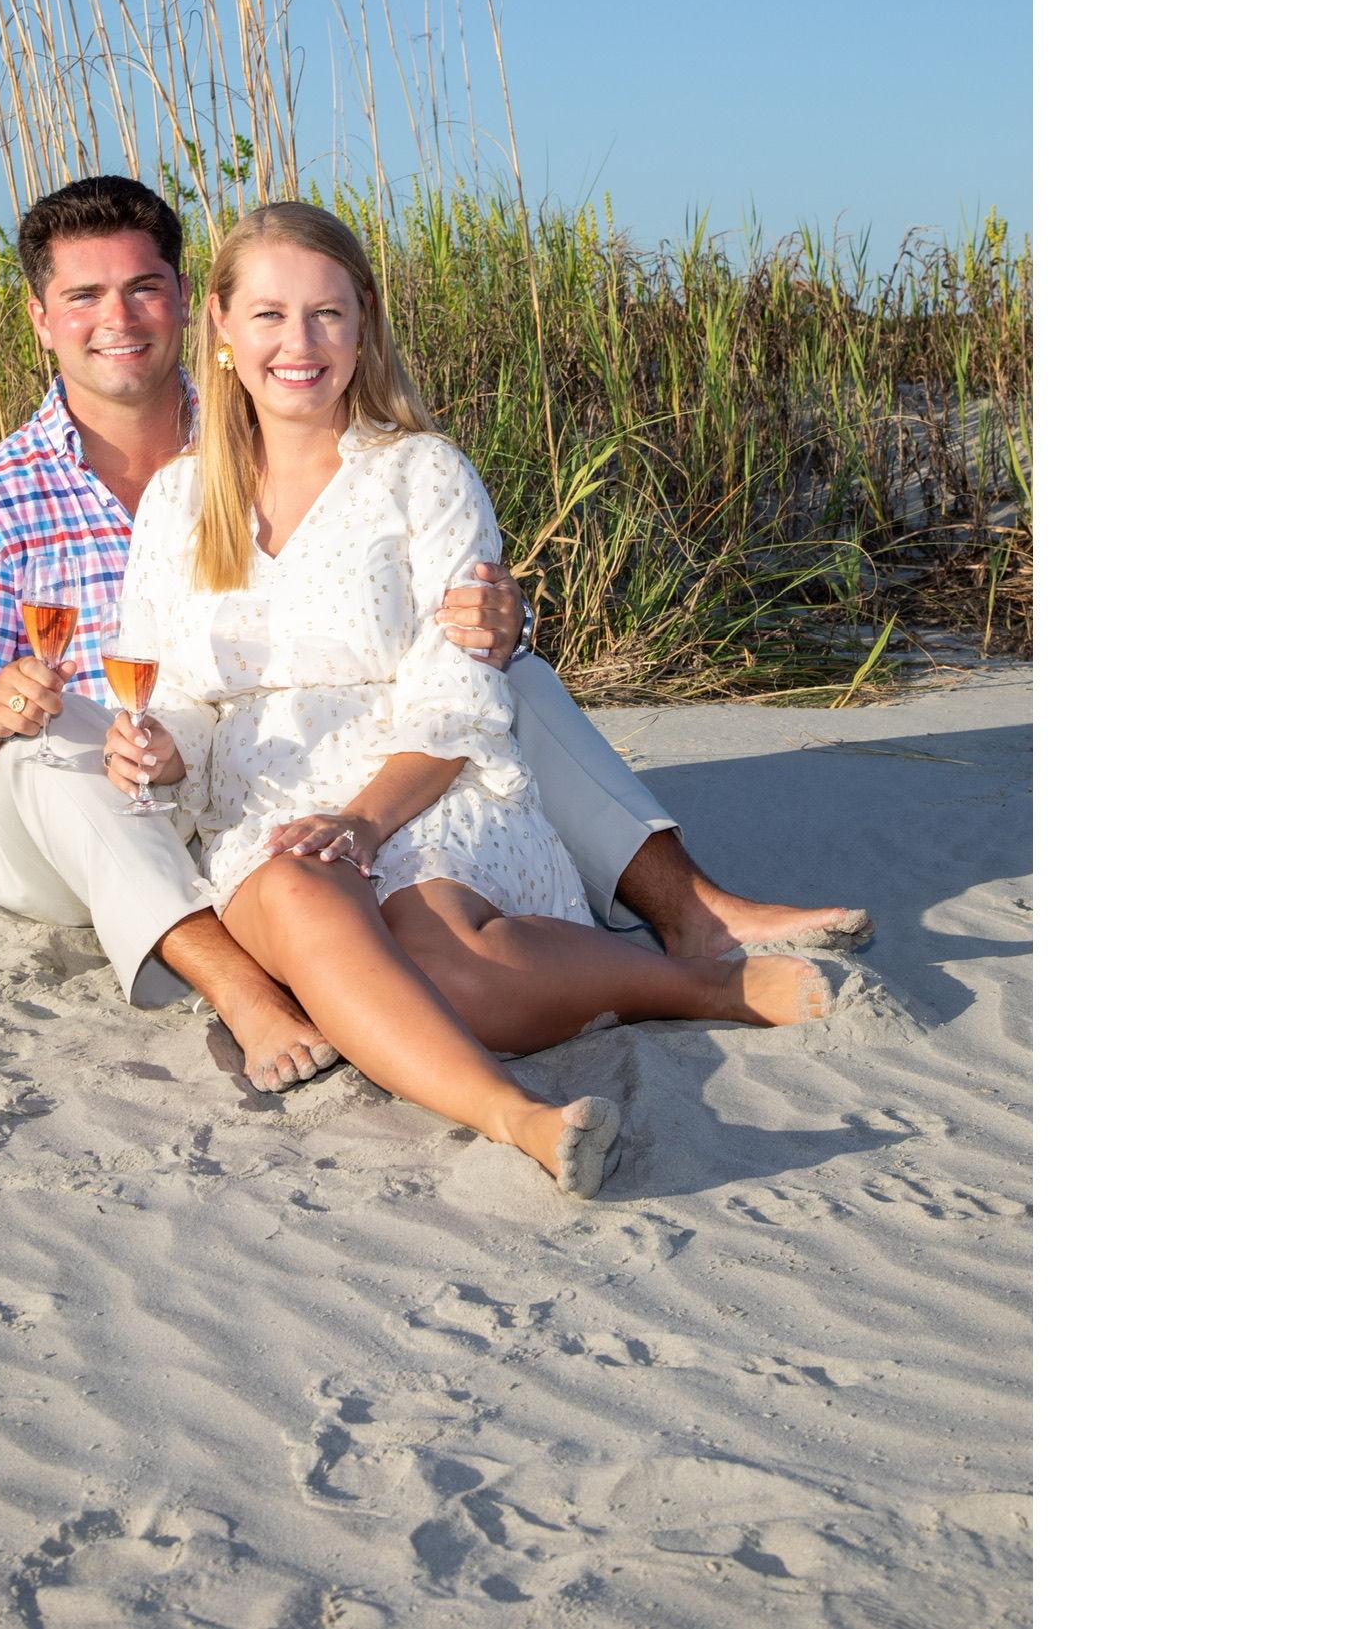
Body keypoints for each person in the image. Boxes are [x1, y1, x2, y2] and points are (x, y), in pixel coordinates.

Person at [0, 176, 867, 1096]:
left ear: (191, 305)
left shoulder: (276, 410)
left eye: (143, 287)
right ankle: (243, 989)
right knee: (56, 749)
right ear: (39, 316)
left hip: (292, 766)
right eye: (84, 295)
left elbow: (400, 596)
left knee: (505, 670)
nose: (118, 317)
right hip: (101, 822)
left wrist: (497, 616)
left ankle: (687, 907)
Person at [106, 201, 836, 1195]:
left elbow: (455, 684)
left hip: (418, 777)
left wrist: (365, 821)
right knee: (293, 880)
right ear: (223, 329)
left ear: (363, 323)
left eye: (327, 313)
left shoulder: (422, 473)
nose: (299, 342)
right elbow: (176, 693)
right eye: (270, 314)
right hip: (261, 799)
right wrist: (160, 751)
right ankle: (521, 1117)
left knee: (450, 974)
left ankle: (689, 979)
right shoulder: (180, 500)